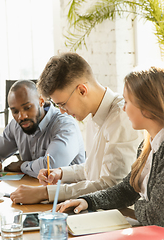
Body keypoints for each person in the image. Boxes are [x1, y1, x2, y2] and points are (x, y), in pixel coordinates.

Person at [56, 65, 164, 239]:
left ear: (147, 107)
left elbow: (158, 219)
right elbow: (128, 189)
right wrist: (88, 201)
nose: (124, 108)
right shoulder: (149, 144)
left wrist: (140, 202)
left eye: (127, 101)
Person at [10, 52, 142, 204]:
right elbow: (93, 169)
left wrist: (46, 193)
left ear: (82, 90)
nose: (61, 111)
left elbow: (111, 186)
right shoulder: (94, 115)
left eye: (63, 104)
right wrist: (61, 173)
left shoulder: (121, 118)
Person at [0, 80, 85, 178]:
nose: (21, 116)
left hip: (67, 196)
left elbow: (51, 167)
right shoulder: (17, 125)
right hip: (34, 193)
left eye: (27, 108)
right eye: (15, 111)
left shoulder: (65, 125)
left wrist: (22, 166)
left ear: (41, 101)